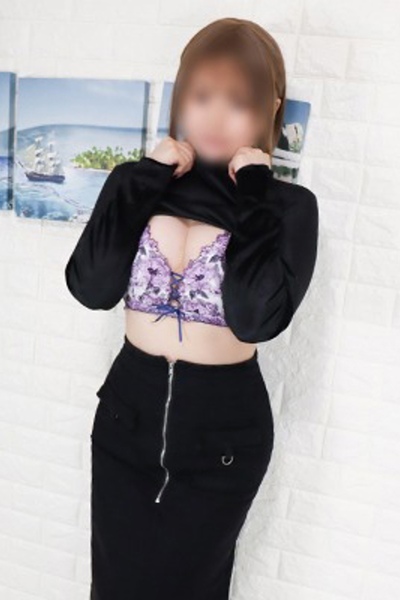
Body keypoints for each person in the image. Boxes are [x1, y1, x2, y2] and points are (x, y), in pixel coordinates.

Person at [65, 17, 319, 600]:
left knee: (188, 587)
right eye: (202, 96)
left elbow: (254, 317)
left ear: (269, 107)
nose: (214, 116)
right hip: (127, 414)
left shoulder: (287, 207)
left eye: (238, 102)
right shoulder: (139, 181)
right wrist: (144, 178)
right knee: (114, 586)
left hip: (222, 432)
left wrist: (254, 191)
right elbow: (91, 287)